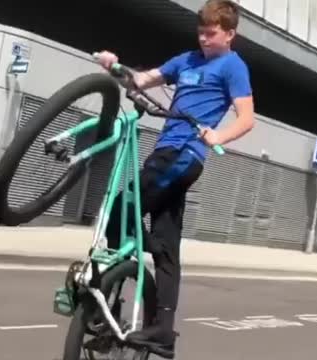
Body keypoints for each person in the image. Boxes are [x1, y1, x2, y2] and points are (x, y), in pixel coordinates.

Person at [94, 0, 255, 357]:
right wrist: (113, 66)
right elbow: (142, 79)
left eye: (211, 34)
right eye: (200, 32)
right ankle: (162, 332)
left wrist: (218, 136)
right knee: (167, 245)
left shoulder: (233, 66)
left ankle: (102, 305)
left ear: (230, 34)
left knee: (122, 208)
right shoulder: (185, 60)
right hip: (165, 152)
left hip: (184, 155)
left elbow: (246, 118)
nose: (204, 39)